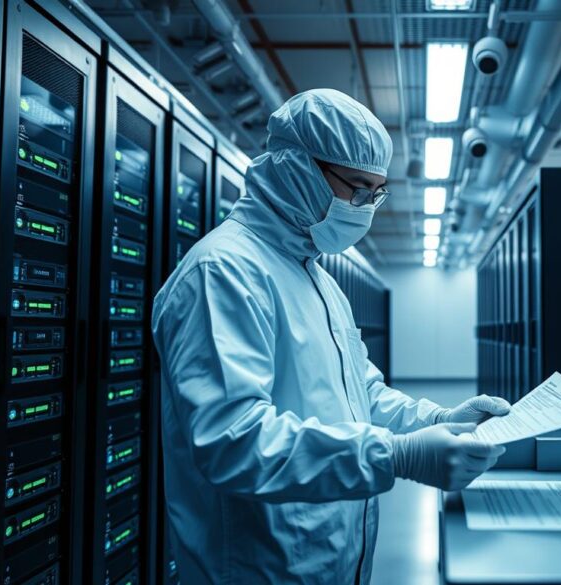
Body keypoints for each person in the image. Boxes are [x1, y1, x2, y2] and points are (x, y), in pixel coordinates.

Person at [151, 88, 511, 584]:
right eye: (357, 188)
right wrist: (398, 455)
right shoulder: (223, 272)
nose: (365, 208)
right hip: (257, 569)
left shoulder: (316, 277)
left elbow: (360, 394)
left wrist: (439, 419)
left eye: (375, 194)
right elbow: (232, 442)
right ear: (296, 166)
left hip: (329, 561)